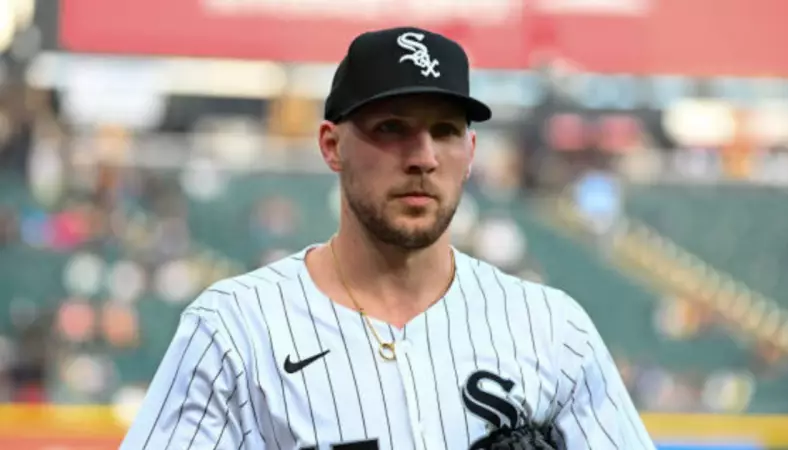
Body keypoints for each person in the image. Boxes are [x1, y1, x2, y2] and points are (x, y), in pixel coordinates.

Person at [120, 26, 655, 450]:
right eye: (391, 128)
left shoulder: (553, 330)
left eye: (445, 131)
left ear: (470, 152)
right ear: (332, 145)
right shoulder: (235, 330)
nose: (423, 157)